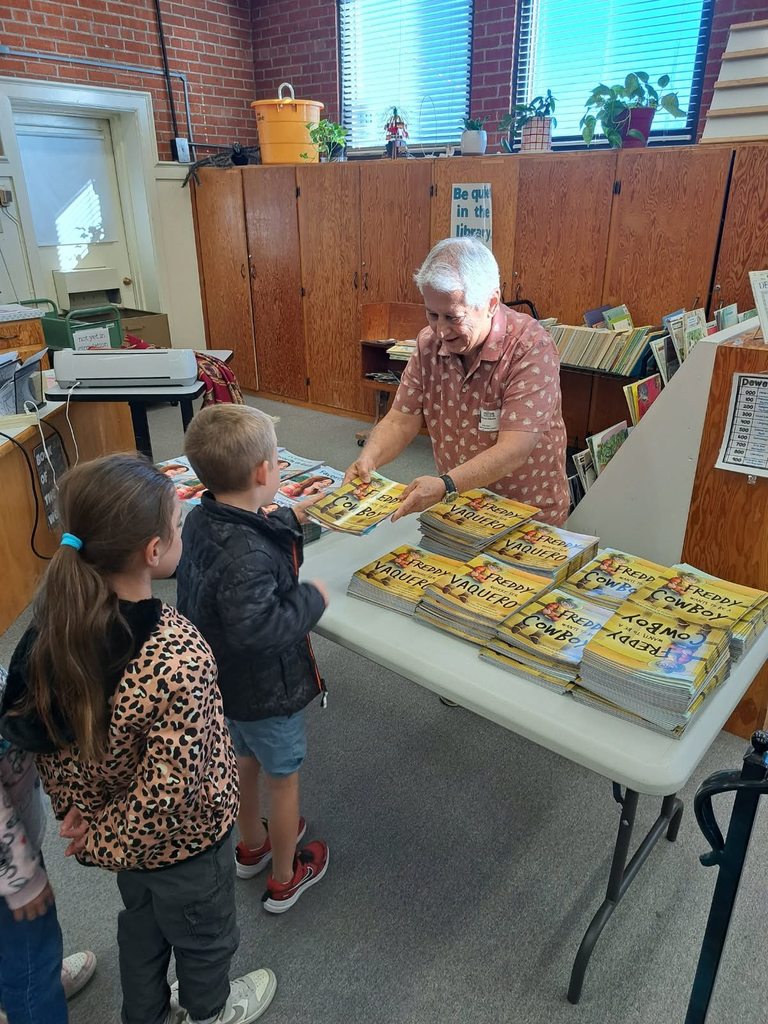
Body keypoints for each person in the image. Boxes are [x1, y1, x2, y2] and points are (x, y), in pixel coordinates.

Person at [0, 455, 277, 1024]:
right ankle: (210, 1011)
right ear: (155, 552)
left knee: (142, 930)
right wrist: (101, 839)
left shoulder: (52, 631)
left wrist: (80, 816)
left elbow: (47, 745)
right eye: (176, 526)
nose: (181, 533)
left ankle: (145, 1014)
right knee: (205, 940)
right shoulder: (179, 654)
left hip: (117, 839)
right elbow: (171, 791)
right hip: (187, 846)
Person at [177, 405, 330, 914]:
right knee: (284, 781)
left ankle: (252, 846)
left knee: (244, 762)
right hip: (267, 687)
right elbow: (261, 629)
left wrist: (291, 518)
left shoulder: (202, 518)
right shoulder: (249, 553)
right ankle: (286, 877)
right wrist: (312, 599)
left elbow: (244, 542)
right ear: (265, 472)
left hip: (224, 684)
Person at [345, 237, 569, 526]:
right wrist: (369, 460)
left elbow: (515, 449)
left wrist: (446, 486)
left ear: (490, 303)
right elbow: (401, 420)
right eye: (432, 314)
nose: (440, 330)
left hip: (525, 513)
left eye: (452, 317)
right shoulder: (428, 344)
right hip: (460, 505)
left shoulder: (531, 347)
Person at [0, 670, 97, 1024]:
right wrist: (20, 877)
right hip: (8, 864)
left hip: (13, 840)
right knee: (31, 955)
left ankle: (21, 989)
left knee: (14, 950)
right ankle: (33, 993)